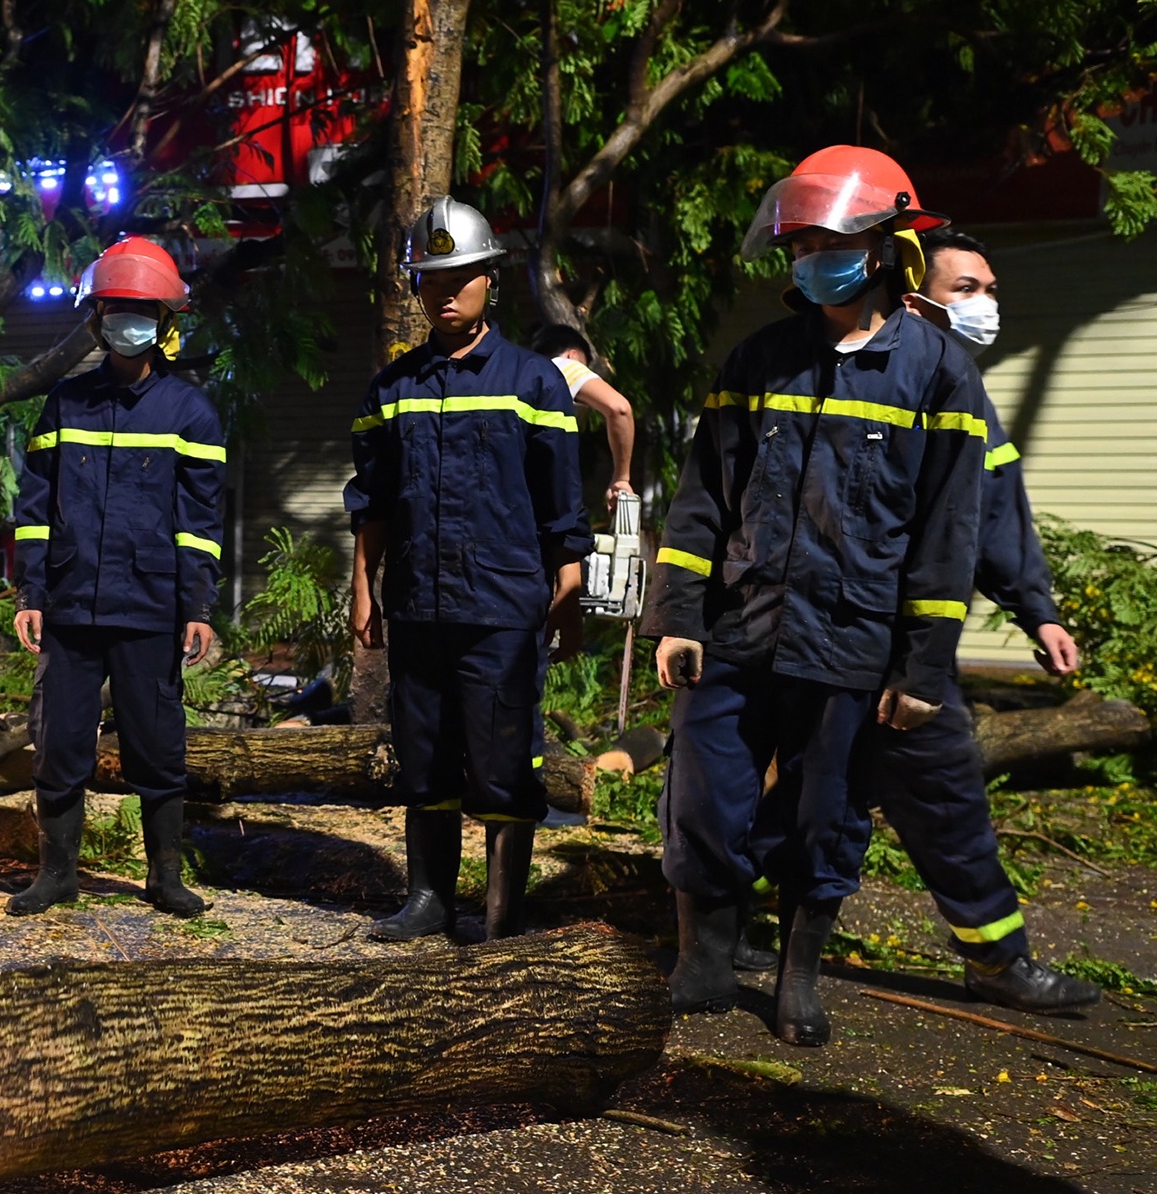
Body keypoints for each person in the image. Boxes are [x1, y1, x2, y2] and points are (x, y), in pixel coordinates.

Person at [649, 146, 987, 1047]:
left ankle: (798, 974)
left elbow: (948, 533)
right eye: (798, 246)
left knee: (823, 812)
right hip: (737, 628)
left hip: (849, 640)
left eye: (826, 244)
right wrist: (678, 618)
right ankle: (704, 956)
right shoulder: (759, 358)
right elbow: (701, 499)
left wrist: (923, 668)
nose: (808, 261)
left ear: (882, 247)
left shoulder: (939, 373)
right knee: (704, 796)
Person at [753, 229, 1099, 1013]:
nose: (987, 305)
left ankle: (991, 956)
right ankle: (990, 961)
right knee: (860, 795)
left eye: (991, 288)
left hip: (912, 648)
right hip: (838, 636)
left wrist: (1037, 611)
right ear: (912, 298)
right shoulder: (845, 378)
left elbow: (993, 519)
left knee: (885, 793)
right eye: (966, 289)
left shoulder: (960, 389)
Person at [346, 197, 592, 945]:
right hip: (419, 604)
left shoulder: (534, 382)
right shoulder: (393, 388)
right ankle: (427, 899)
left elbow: (561, 497)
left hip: (503, 609)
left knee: (503, 761)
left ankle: (500, 913)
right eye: (431, 278)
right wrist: (363, 587)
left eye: (461, 277)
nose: (446, 292)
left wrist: (570, 586)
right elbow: (373, 500)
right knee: (425, 756)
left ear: (491, 280)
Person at [6, 237, 227, 918]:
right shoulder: (65, 403)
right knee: (59, 743)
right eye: (115, 308)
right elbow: (34, 507)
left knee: (157, 745)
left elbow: (200, 522)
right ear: (96, 317)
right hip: (70, 608)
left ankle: (164, 878)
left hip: (150, 607)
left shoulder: (189, 412)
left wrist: (198, 607)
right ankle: (57, 876)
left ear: (164, 320)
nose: (127, 320)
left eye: (141, 309)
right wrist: (31, 592)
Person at [529, 323, 636, 510]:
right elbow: (620, 409)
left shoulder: (518, 374)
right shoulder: (562, 366)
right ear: (573, 355)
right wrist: (621, 478)